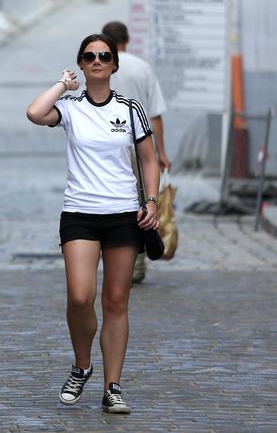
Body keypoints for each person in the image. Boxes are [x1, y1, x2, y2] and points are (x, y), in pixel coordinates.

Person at [26, 33, 160, 415]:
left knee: (116, 302)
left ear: (114, 65)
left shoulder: (130, 109)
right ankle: (81, 365)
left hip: (123, 215)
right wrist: (61, 85)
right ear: (82, 65)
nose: (97, 61)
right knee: (80, 296)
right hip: (80, 213)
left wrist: (152, 200)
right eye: (89, 56)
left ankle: (112, 386)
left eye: (104, 56)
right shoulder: (69, 107)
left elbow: (149, 160)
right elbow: (35, 113)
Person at [102, 21, 171, 283]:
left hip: (107, 145)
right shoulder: (142, 68)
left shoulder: (100, 64)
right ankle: (137, 263)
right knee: (140, 200)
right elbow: (155, 114)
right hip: (138, 143)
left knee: (110, 199)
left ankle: (112, 255)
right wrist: (161, 152)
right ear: (127, 40)